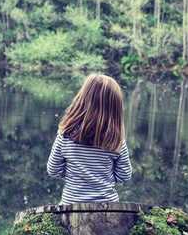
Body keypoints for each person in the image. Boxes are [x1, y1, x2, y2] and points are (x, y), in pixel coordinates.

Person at [47, 74, 132, 204]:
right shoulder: (116, 140)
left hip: (71, 206)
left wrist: (74, 175)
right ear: (115, 108)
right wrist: (102, 179)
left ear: (82, 100)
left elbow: (53, 169)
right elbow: (124, 175)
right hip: (108, 207)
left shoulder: (65, 134)